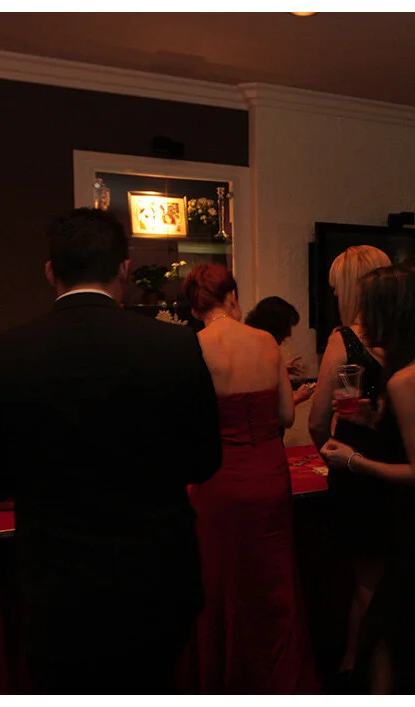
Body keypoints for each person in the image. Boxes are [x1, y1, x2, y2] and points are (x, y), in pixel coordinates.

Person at [0, 208, 222, 694]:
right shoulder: (173, 346)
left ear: (50, 271)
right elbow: (203, 461)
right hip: (156, 581)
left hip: (57, 589)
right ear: (124, 269)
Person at [319, 265, 415, 693]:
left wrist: (354, 460)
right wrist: (375, 419)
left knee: (385, 625)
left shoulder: (404, 378)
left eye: (369, 308)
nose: (362, 320)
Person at [181, 262, 318, 694]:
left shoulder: (194, 348)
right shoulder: (264, 342)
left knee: (223, 583)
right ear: (233, 297)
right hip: (269, 474)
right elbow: (286, 415)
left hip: (220, 479)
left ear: (194, 308)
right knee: (272, 580)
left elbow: (188, 428)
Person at [308, 244, 393, 688]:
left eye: (335, 287)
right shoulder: (407, 337)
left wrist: (329, 453)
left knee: (365, 579)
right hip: (399, 463)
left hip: (356, 466)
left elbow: (317, 419)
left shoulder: (344, 339)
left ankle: (354, 669)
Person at [245, 295, 316, 406]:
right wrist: (297, 398)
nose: (289, 334)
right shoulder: (256, 354)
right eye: (288, 326)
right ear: (276, 326)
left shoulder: (251, 346)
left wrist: (281, 370)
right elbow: (265, 408)